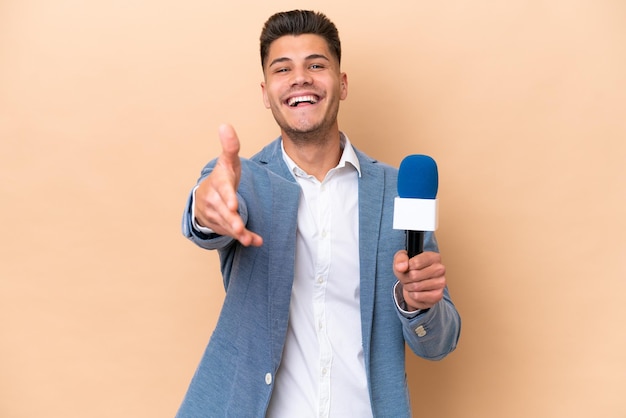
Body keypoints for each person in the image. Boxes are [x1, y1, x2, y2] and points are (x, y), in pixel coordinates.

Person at [176, 9, 460, 418]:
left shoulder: (397, 192)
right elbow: (204, 211)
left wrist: (418, 304)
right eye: (282, 68)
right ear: (265, 92)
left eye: (316, 65)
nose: (300, 78)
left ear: (341, 84)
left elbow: (438, 344)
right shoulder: (243, 181)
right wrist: (206, 209)